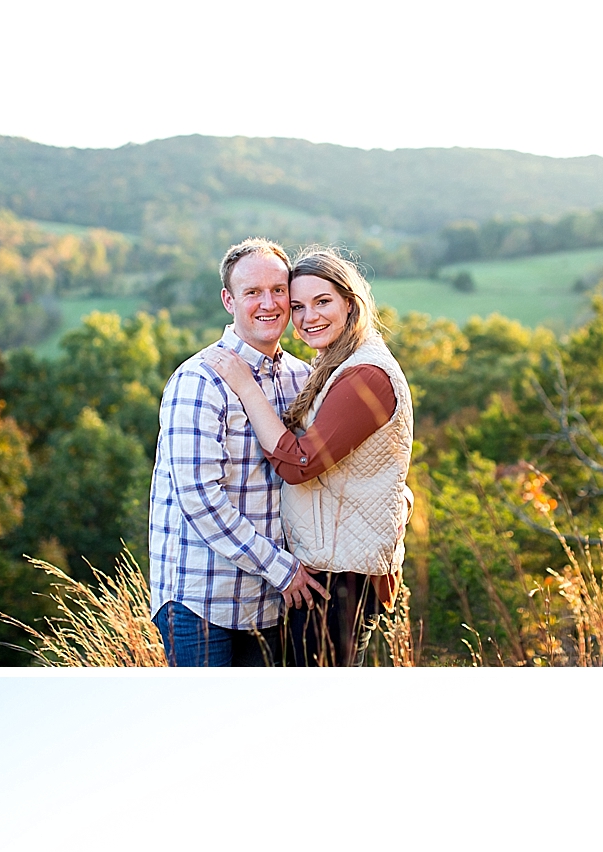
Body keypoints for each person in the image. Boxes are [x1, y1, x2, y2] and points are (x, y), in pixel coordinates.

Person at [206, 248, 414, 665]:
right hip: (327, 567)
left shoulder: (365, 375)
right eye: (297, 306)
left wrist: (246, 388)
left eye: (323, 302)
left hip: (342, 578)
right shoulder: (333, 364)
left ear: (351, 303)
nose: (308, 317)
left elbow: (299, 464)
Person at [149, 238, 326, 665]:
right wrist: (282, 569)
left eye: (278, 290)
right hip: (201, 604)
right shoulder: (200, 380)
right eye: (252, 293)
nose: (268, 303)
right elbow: (200, 498)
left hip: (268, 603)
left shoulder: (301, 377)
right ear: (229, 300)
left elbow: (324, 464)